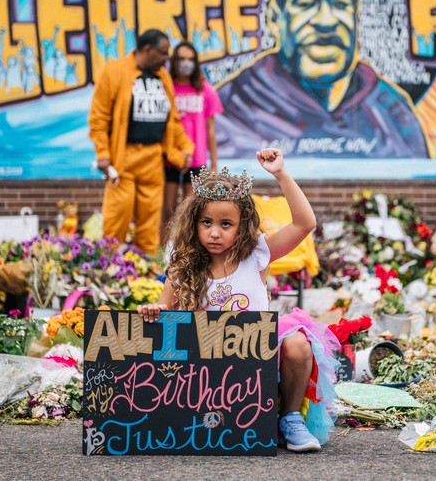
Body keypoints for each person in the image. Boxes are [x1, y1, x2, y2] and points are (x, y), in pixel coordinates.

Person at [138, 149, 339, 452]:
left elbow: (304, 223)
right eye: (206, 222)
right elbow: (165, 310)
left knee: (297, 342)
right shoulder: (184, 263)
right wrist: (154, 310)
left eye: (225, 224)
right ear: (194, 223)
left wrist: (280, 173)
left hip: (257, 364)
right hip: (206, 370)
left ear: (242, 225)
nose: (214, 233)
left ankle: (290, 418)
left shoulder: (256, 254)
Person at [215, 0, 429, 159]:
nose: (326, 21)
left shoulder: (392, 113)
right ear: (274, 19)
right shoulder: (231, 110)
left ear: (357, 15)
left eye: (340, 3)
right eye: (306, 4)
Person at [88, 29, 194, 255]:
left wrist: (184, 148)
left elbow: (172, 120)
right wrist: (103, 155)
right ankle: (109, 268)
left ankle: (144, 272)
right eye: (163, 53)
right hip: (123, 158)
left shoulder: (163, 76)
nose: (167, 59)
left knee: (150, 222)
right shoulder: (114, 71)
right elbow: (99, 118)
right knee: (117, 218)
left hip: (153, 157)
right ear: (147, 50)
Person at [161, 42, 223, 242]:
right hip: (170, 159)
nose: (185, 64)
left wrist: (213, 163)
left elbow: (211, 131)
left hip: (196, 160)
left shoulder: (205, 90)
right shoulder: (167, 88)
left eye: (190, 59)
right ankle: (163, 251)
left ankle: (187, 250)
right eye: (181, 59)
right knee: (167, 208)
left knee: (191, 211)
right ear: (174, 61)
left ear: (195, 62)